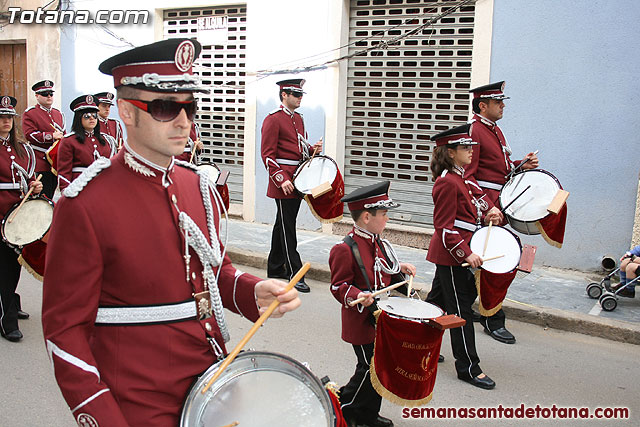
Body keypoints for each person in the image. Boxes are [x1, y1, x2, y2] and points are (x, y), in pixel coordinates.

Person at [41, 38, 301, 426]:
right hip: (137, 404)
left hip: (212, 386)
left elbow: (211, 273)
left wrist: (249, 289)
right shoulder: (84, 205)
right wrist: (103, 417)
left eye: (189, 107)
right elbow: (64, 332)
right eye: (165, 108)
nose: (184, 122)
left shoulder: (199, 186)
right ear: (127, 112)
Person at [329, 181, 416, 427]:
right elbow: (338, 286)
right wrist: (358, 295)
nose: (388, 218)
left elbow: (385, 272)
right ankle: (345, 408)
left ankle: (367, 414)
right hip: (361, 320)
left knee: (379, 367)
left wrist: (401, 270)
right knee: (369, 367)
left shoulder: (378, 242)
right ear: (367, 217)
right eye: (384, 214)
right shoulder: (345, 249)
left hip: (382, 317)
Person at [425, 124, 502, 390]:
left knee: (433, 307)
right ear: (450, 152)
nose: (471, 151)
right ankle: (468, 367)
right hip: (452, 257)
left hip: (457, 254)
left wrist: (490, 211)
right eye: (465, 147)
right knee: (460, 312)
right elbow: (444, 228)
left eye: (471, 146)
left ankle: (413, 345)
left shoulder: (462, 178)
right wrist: (466, 255)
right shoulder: (447, 182)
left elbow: (475, 204)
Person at [466, 81, 539, 345]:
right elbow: (468, 177)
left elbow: (501, 169)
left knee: (469, 269)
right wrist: (488, 206)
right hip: (484, 212)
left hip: (497, 208)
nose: (503, 105)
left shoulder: (494, 130)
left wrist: (521, 164)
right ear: (483, 105)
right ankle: (492, 317)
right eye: (498, 102)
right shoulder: (474, 130)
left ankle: (453, 310)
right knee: (498, 266)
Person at [260, 78, 322, 293]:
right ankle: (295, 272)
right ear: (283, 95)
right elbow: (267, 154)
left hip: (296, 179)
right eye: (295, 94)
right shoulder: (273, 119)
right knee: (288, 226)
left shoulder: (299, 119)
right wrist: (281, 179)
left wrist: (313, 149)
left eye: (301, 94)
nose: (299, 97)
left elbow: (298, 151)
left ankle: (275, 267)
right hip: (283, 181)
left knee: (282, 224)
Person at [0, 95, 43, 342]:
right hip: (2, 216)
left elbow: (26, 180)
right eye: (2, 117)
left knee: (14, 265)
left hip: (19, 215)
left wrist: (35, 187)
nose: (6, 121)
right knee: (3, 270)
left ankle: (11, 303)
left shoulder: (23, 148)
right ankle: (7, 320)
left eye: (9, 118)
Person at [56, 95, 116, 191]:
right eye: (87, 116)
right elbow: (64, 172)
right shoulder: (69, 141)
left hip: (103, 188)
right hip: (80, 188)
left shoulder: (107, 140)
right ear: (79, 118)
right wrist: (67, 193)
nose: (92, 118)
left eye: (94, 115)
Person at [21, 80, 65, 199]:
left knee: (52, 194)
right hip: (40, 160)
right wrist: (51, 136)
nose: (49, 96)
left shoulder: (58, 113)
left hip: (55, 161)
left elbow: (63, 134)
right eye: (45, 94)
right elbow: (29, 134)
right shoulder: (30, 113)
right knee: (41, 196)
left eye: (51, 93)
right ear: (37, 96)